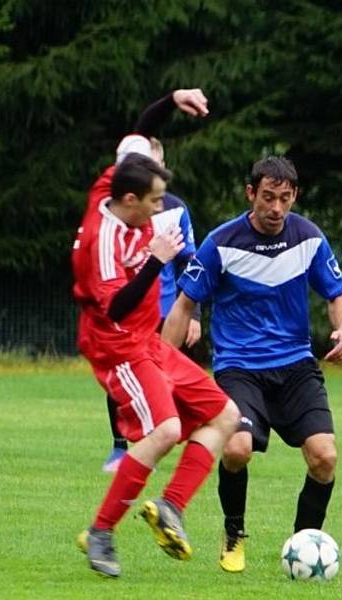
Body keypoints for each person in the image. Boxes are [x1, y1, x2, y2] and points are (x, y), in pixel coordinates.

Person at [162, 156, 342, 573]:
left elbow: (337, 296)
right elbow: (183, 306)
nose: (276, 208)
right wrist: (162, 368)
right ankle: (233, 534)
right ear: (251, 194)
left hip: (296, 366)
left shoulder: (309, 237)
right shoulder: (221, 242)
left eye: (285, 199)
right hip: (238, 367)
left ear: (294, 196)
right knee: (236, 448)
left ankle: (305, 545)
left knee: (324, 457)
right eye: (268, 197)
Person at [72, 153, 240, 578]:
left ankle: (169, 507)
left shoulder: (111, 187)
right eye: (156, 200)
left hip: (148, 341)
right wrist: (156, 260)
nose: (161, 208)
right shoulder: (102, 241)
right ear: (131, 199)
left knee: (225, 415)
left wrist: (171, 102)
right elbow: (117, 310)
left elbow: (138, 133)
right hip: (119, 346)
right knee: (164, 430)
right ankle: (101, 531)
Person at [89, 91, 206, 473]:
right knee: (123, 374)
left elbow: (192, 262)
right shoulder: (112, 212)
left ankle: (163, 439)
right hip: (125, 307)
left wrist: (193, 312)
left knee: (166, 376)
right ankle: (121, 446)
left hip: (165, 309)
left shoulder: (175, 210)